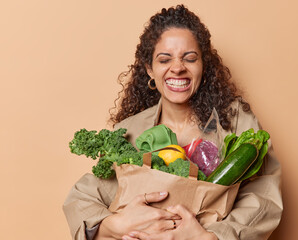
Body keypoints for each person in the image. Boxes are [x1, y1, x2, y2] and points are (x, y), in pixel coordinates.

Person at [63, 5, 283, 240]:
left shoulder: (236, 120)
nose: (177, 68)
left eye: (189, 58)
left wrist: (209, 237)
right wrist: (112, 226)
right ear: (150, 69)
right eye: (164, 59)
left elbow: (263, 197)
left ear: (203, 66)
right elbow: (82, 198)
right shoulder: (131, 131)